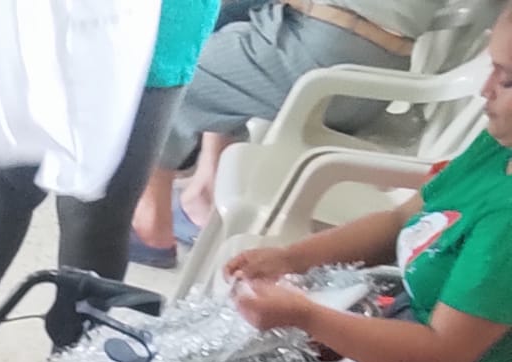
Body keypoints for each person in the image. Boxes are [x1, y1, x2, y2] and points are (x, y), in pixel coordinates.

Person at [180, 2, 512, 362]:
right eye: (491, 68)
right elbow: (402, 219)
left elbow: (441, 353)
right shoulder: (498, 148)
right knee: (226, 350)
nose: (485, 89)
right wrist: (291, 257)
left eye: (506, 80)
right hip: (398, 346)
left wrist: (308, 316)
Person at [0, 0, 220, 362]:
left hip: (156, 34)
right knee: (6, 186)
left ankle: (74, 361)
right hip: (44, 21)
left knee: (100, 213)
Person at [130, 0, 447, 264]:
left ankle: (150, 222)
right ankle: (206, 192)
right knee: (225, 23)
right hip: (376, 66)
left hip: (325, 56)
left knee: (165, 64)